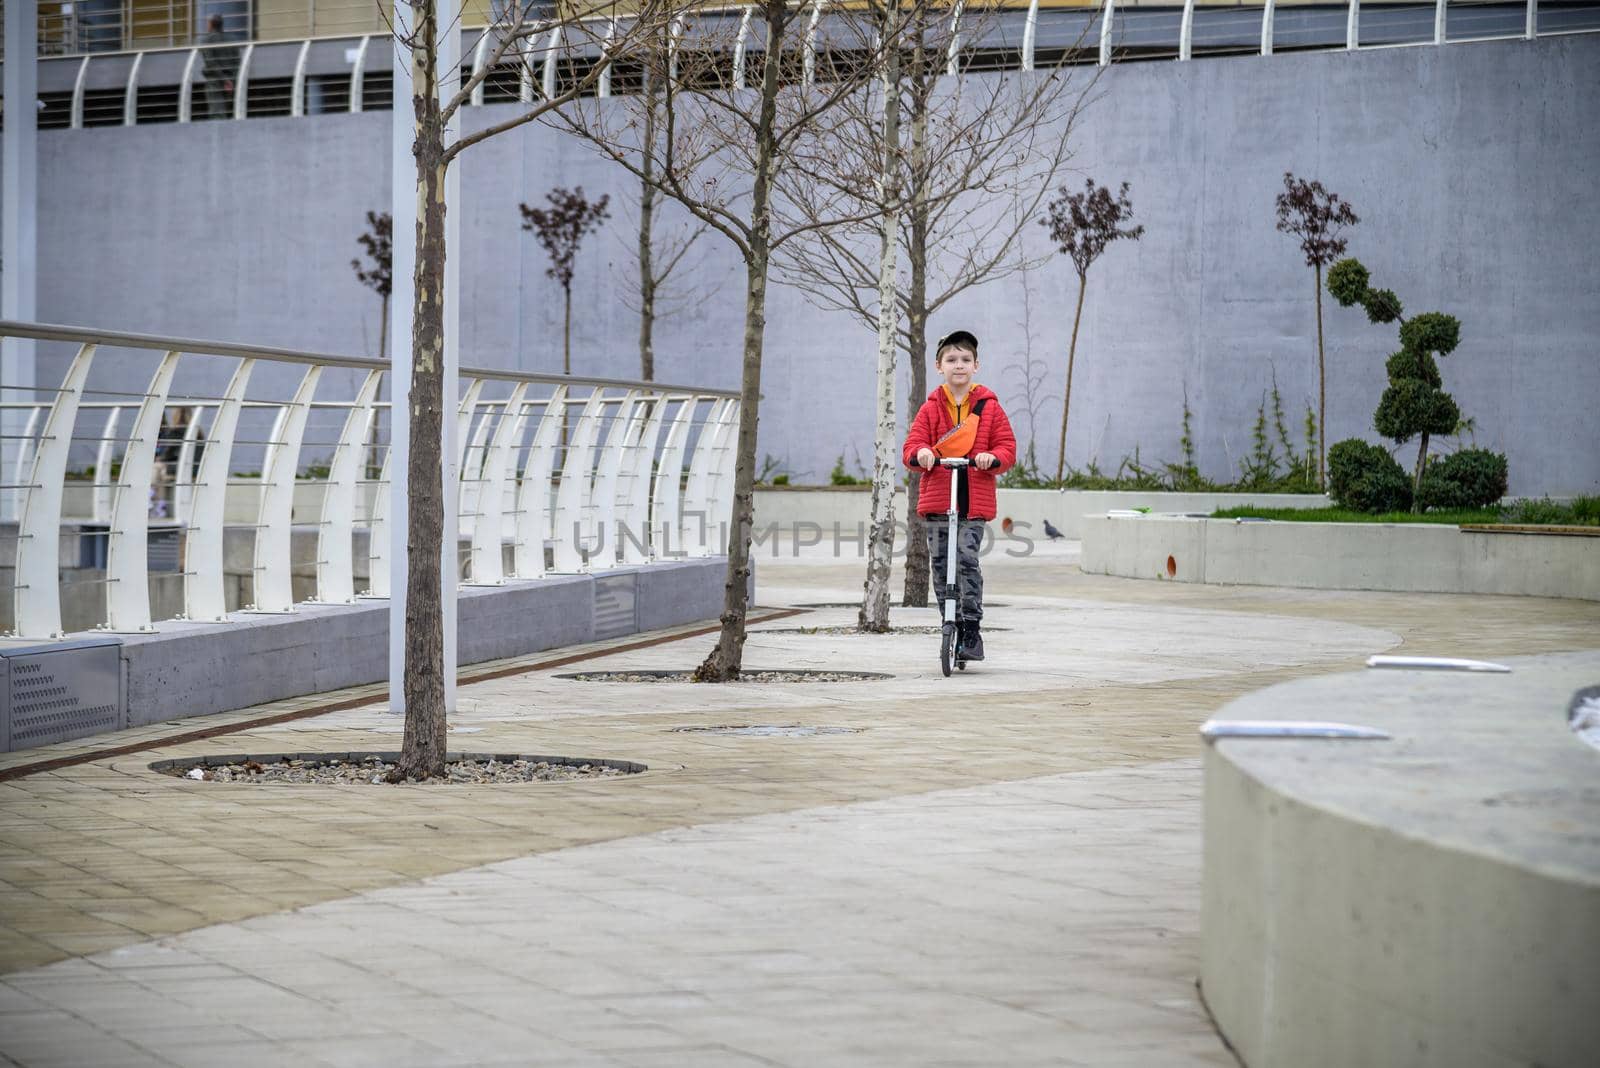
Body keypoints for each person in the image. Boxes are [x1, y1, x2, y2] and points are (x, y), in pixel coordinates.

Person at [902, 329, 1016, 661]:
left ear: (976, 365)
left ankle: (971, 629)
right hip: (939, 501)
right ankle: (948, 621)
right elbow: (912, 445)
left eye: (965, 359)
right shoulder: (931, 408)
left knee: (966, 561)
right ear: (939, 366)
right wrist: (922, 453)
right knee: (940, 566)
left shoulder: (989, 408)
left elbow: (1006, 448)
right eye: (951, 359)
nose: (959, 365)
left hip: (972, 503)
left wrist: (990, 458)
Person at [199, 14, 240, 120]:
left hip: (214, 81)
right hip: (231, 81)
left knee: (216, 113)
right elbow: (237, 62)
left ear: (211, 24)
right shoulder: (232, 40)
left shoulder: (206, 41)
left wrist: (224, 80)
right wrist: (231, 81)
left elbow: (210, 63)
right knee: (230, 113)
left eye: (207, 23)